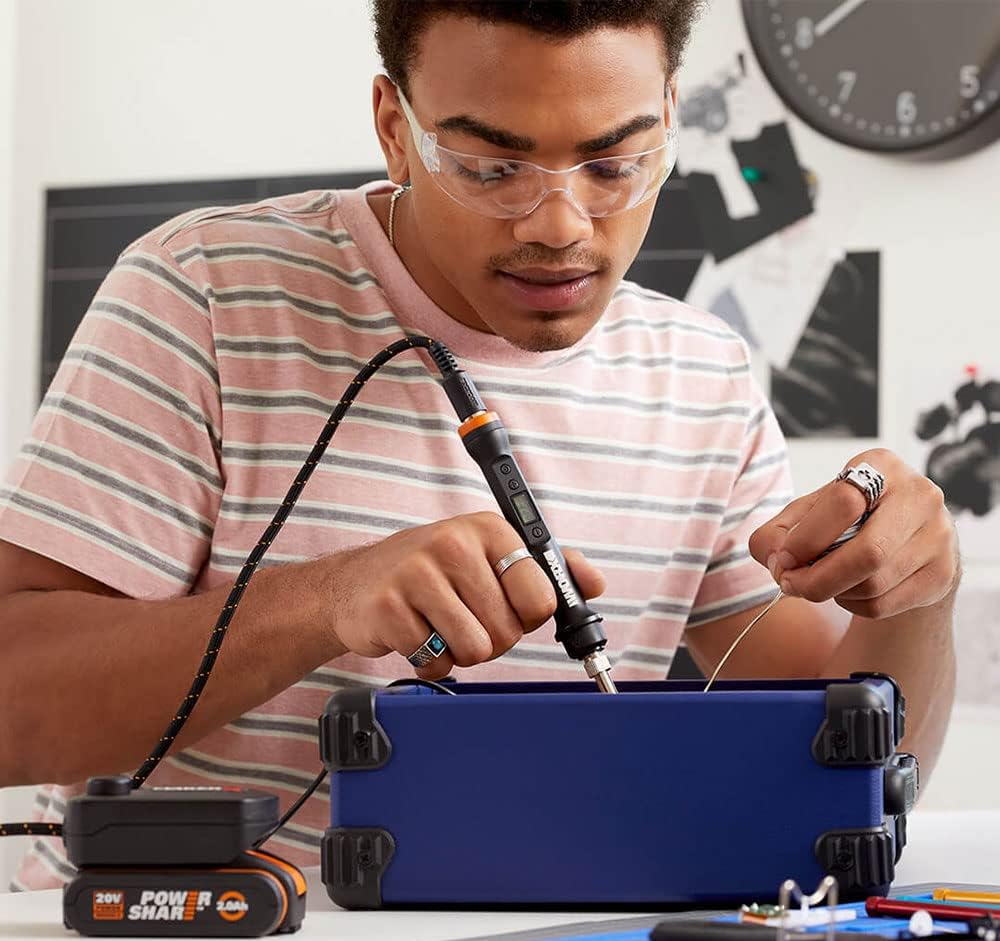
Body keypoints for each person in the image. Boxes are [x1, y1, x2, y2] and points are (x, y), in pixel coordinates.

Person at [0, 0, 957, 890]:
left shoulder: (700, 369)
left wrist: (919, 593)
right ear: (394, 127)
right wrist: (323, 602)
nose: (561, 225)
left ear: (669, 116)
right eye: (493, 168)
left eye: (615, 164)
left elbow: (839, 763)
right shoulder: (202, 291)